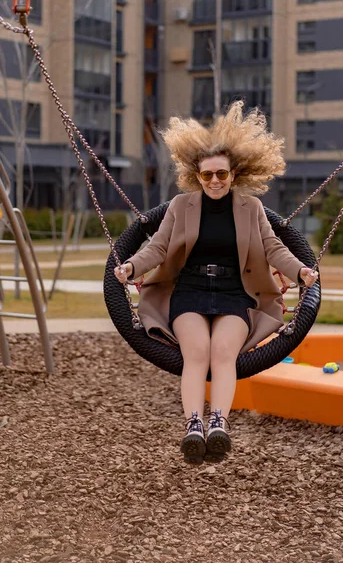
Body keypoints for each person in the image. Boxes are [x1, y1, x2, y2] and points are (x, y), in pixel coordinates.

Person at [114, 101, 318, 465]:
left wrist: (300, 270)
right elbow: (157, 247)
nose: (214, 182)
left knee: (224, 353)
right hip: (189, 290)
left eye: (221, 174)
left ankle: (219, 425)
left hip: (233, 294)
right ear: (197, 174)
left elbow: (273, 248)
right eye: (207, 175)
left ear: (234, 173)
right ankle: (194, 425)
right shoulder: (180, 206)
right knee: (197, 352)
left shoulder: (251, 208)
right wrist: (130, 266)